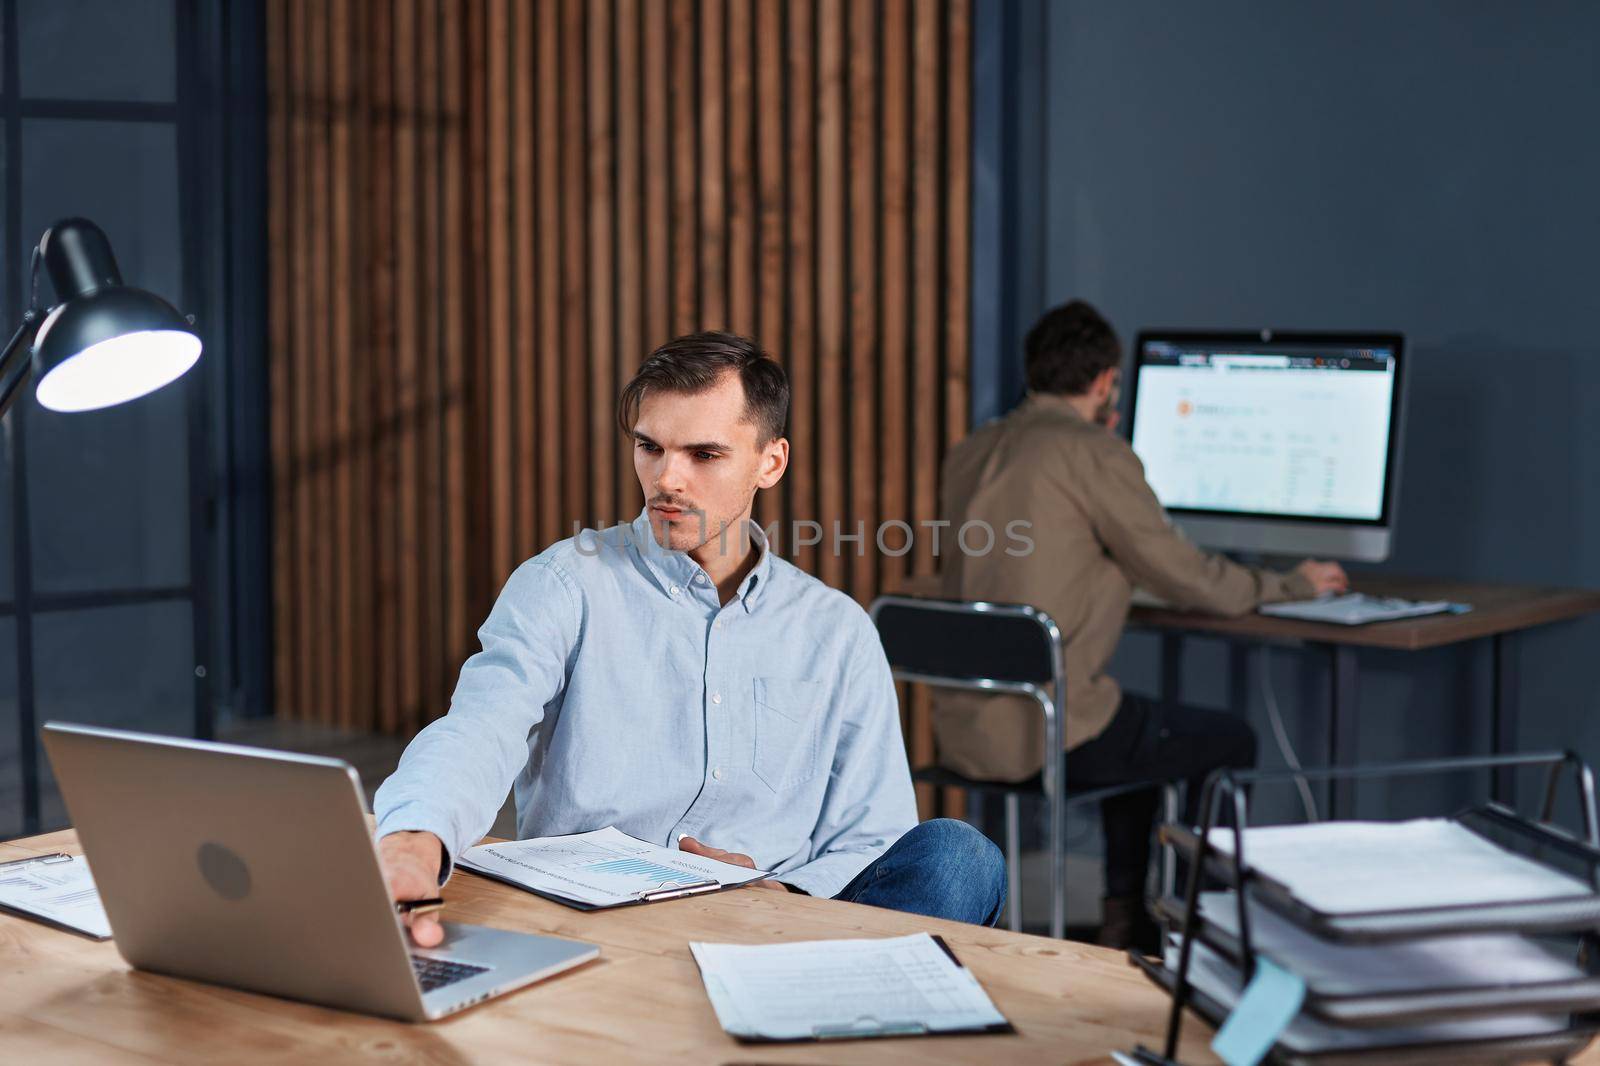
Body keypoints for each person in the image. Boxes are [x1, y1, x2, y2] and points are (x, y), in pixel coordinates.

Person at [376, 331, 1006, 946]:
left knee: (958, 858)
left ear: (771, 462)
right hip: (598, 919)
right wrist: (413, 843)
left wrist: (781, 895)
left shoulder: (836, 631)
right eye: (650, 448)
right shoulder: (562, 585)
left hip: (771, 921)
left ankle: (793, 998)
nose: (667, 480)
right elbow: (479, 729)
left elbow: (873, 839)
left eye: (703, 455)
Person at [935, 301, 1346, 948]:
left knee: (1139, 730)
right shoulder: (1092, 453)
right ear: (1105, 383)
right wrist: (1292, 584)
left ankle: (1129, 918)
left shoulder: (972, 450)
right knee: (1223, 740)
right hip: (1045, 730)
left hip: (962, 728)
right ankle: (1200, 939)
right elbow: (1185, 575)